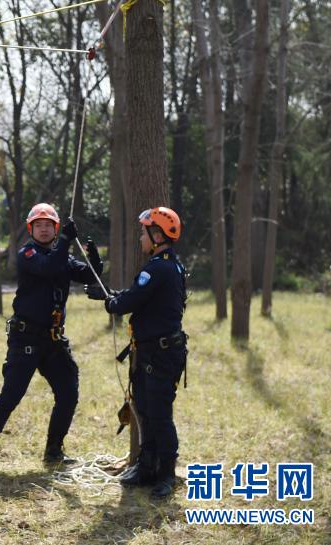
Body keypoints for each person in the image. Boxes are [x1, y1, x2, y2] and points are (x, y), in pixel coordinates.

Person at [0, 203, 103, 473]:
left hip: (54, 341)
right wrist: (65, 240)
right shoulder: (28, 254)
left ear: (55, 229)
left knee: (68, 392)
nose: (44, 230)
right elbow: (47, 268)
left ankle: (54, 450)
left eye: (49, 226)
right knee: (12, 394)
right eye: (39, 226)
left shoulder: (63, 257)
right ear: (31, 229)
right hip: (26, 339)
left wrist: (94, 259)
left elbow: (89, 276)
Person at [86, 207, 187, 499]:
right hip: (151, 354)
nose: (141, 238)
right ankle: (146, 466)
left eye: (144, 233)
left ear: (157, 235)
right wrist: (111, 293)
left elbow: (127, 302)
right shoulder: (168, 266)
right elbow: (141, 296)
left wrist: (108, 299)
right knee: (144, 409)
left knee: (159, 415)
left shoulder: (156, 268)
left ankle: (166, 473)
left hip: (160, 355)